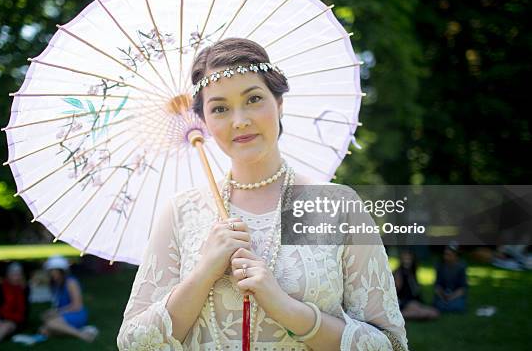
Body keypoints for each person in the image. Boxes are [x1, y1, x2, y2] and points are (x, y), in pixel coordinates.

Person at [117, 38, 408, 350]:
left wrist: (284, 306)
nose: (240, 120)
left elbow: (390, 344)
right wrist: (204, 273)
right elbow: (133, 342)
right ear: (204, 122)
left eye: (253, 99)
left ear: (279, 103)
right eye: (219, 108)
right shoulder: (180, 212)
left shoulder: (339, 206)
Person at [39, 255, 97, 342]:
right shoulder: (55, 284)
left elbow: (77, 306)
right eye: (51, 271)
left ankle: (81, 335)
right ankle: (68, 330)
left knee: (51, 324)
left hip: (76, 313)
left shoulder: (71, 282)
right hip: (63, 313)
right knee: (44, 329)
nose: (52, 273)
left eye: (54, 271)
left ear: (61, 271)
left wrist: (57, 312)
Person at [393, 249, 439, 320]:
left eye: (409, 259)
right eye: (405, 259)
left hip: (413, 302)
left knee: (434, 312)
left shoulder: (412, 271)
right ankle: (398, 315)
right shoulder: (399, 272)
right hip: (405, 302)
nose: (407, 261)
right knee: (427, 313)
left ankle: (403, 315)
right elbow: (397, 291)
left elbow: (415, 290)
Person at [433, 243, 468, 312]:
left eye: (449, 255)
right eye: (445, 254)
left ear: (456, 256)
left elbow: (462, 288)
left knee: (459, 305)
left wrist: (451, 297)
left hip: (455, 296)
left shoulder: (461, 267)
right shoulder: (440, 266)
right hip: (443, 296)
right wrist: (442, 296)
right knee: (438, 304)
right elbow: (437, 286)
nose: (446, 257)